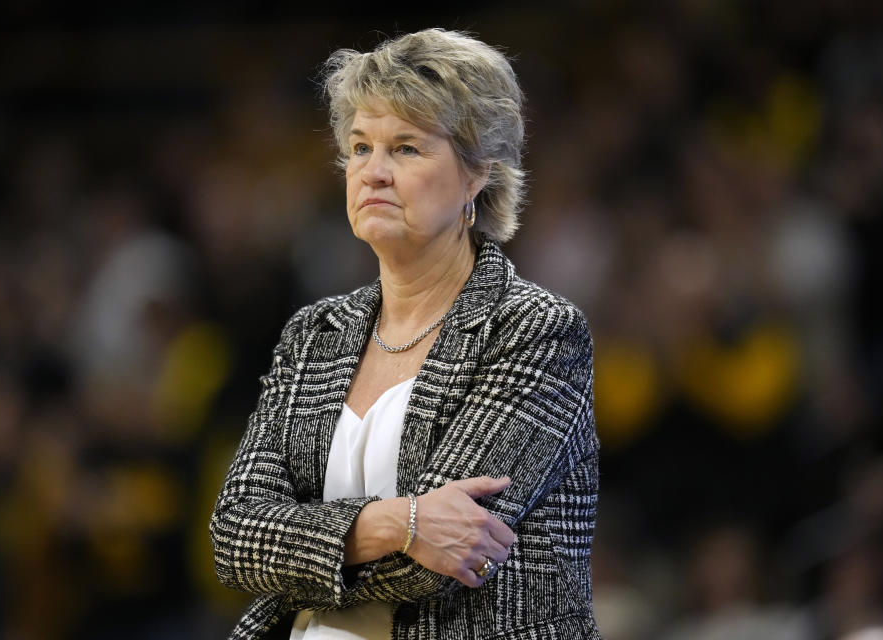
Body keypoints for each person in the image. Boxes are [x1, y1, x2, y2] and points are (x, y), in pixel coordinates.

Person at [210, 28, 600, 640]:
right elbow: (235, 539)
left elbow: (453, 559)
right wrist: (403, 524)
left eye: (408, 149)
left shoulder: (536, 331)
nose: (374, 172)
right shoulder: (314, 334)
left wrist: (300, 545)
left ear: (478, 174)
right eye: (360, 147)